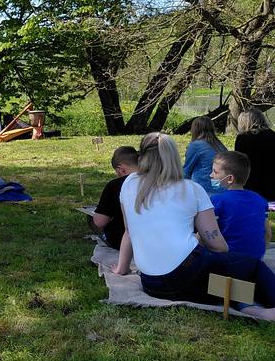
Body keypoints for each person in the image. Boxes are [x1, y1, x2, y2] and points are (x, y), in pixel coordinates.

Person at [114, 133, 275, 321]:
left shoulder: (128, 183)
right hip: (187, 272)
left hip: (151, 282)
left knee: (217, 280)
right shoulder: (191, 189)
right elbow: (217, 245)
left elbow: (129, 232)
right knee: (250, 267)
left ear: (141, 157)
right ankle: (257, 306)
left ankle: (249, 307)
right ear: (175, 157)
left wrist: (120, 269)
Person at [209, 151, 270, 260]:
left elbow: (205, 235)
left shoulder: (217, 201)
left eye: (215, 172)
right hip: (255, 259)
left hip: (228, 260)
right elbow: (268, 234)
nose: (211, 175)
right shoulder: (260, 200)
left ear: (230, 179)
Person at [90, 146, 139, 249]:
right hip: (152, 239)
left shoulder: (114, 185)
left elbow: (100, 222)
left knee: (93, 219)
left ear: (121, 169)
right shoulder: (156, 180)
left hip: (122, 241)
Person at [234, 108, 275, 200]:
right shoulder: (272, 135)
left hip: (251, 177)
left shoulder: (243, 139)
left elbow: (239, 160)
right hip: (271, 176)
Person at [183, 116, 227, 193]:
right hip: (220, 188)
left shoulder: (196, 145)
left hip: (202, 189)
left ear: (195, 130)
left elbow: (186, 171)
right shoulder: (220, 145)